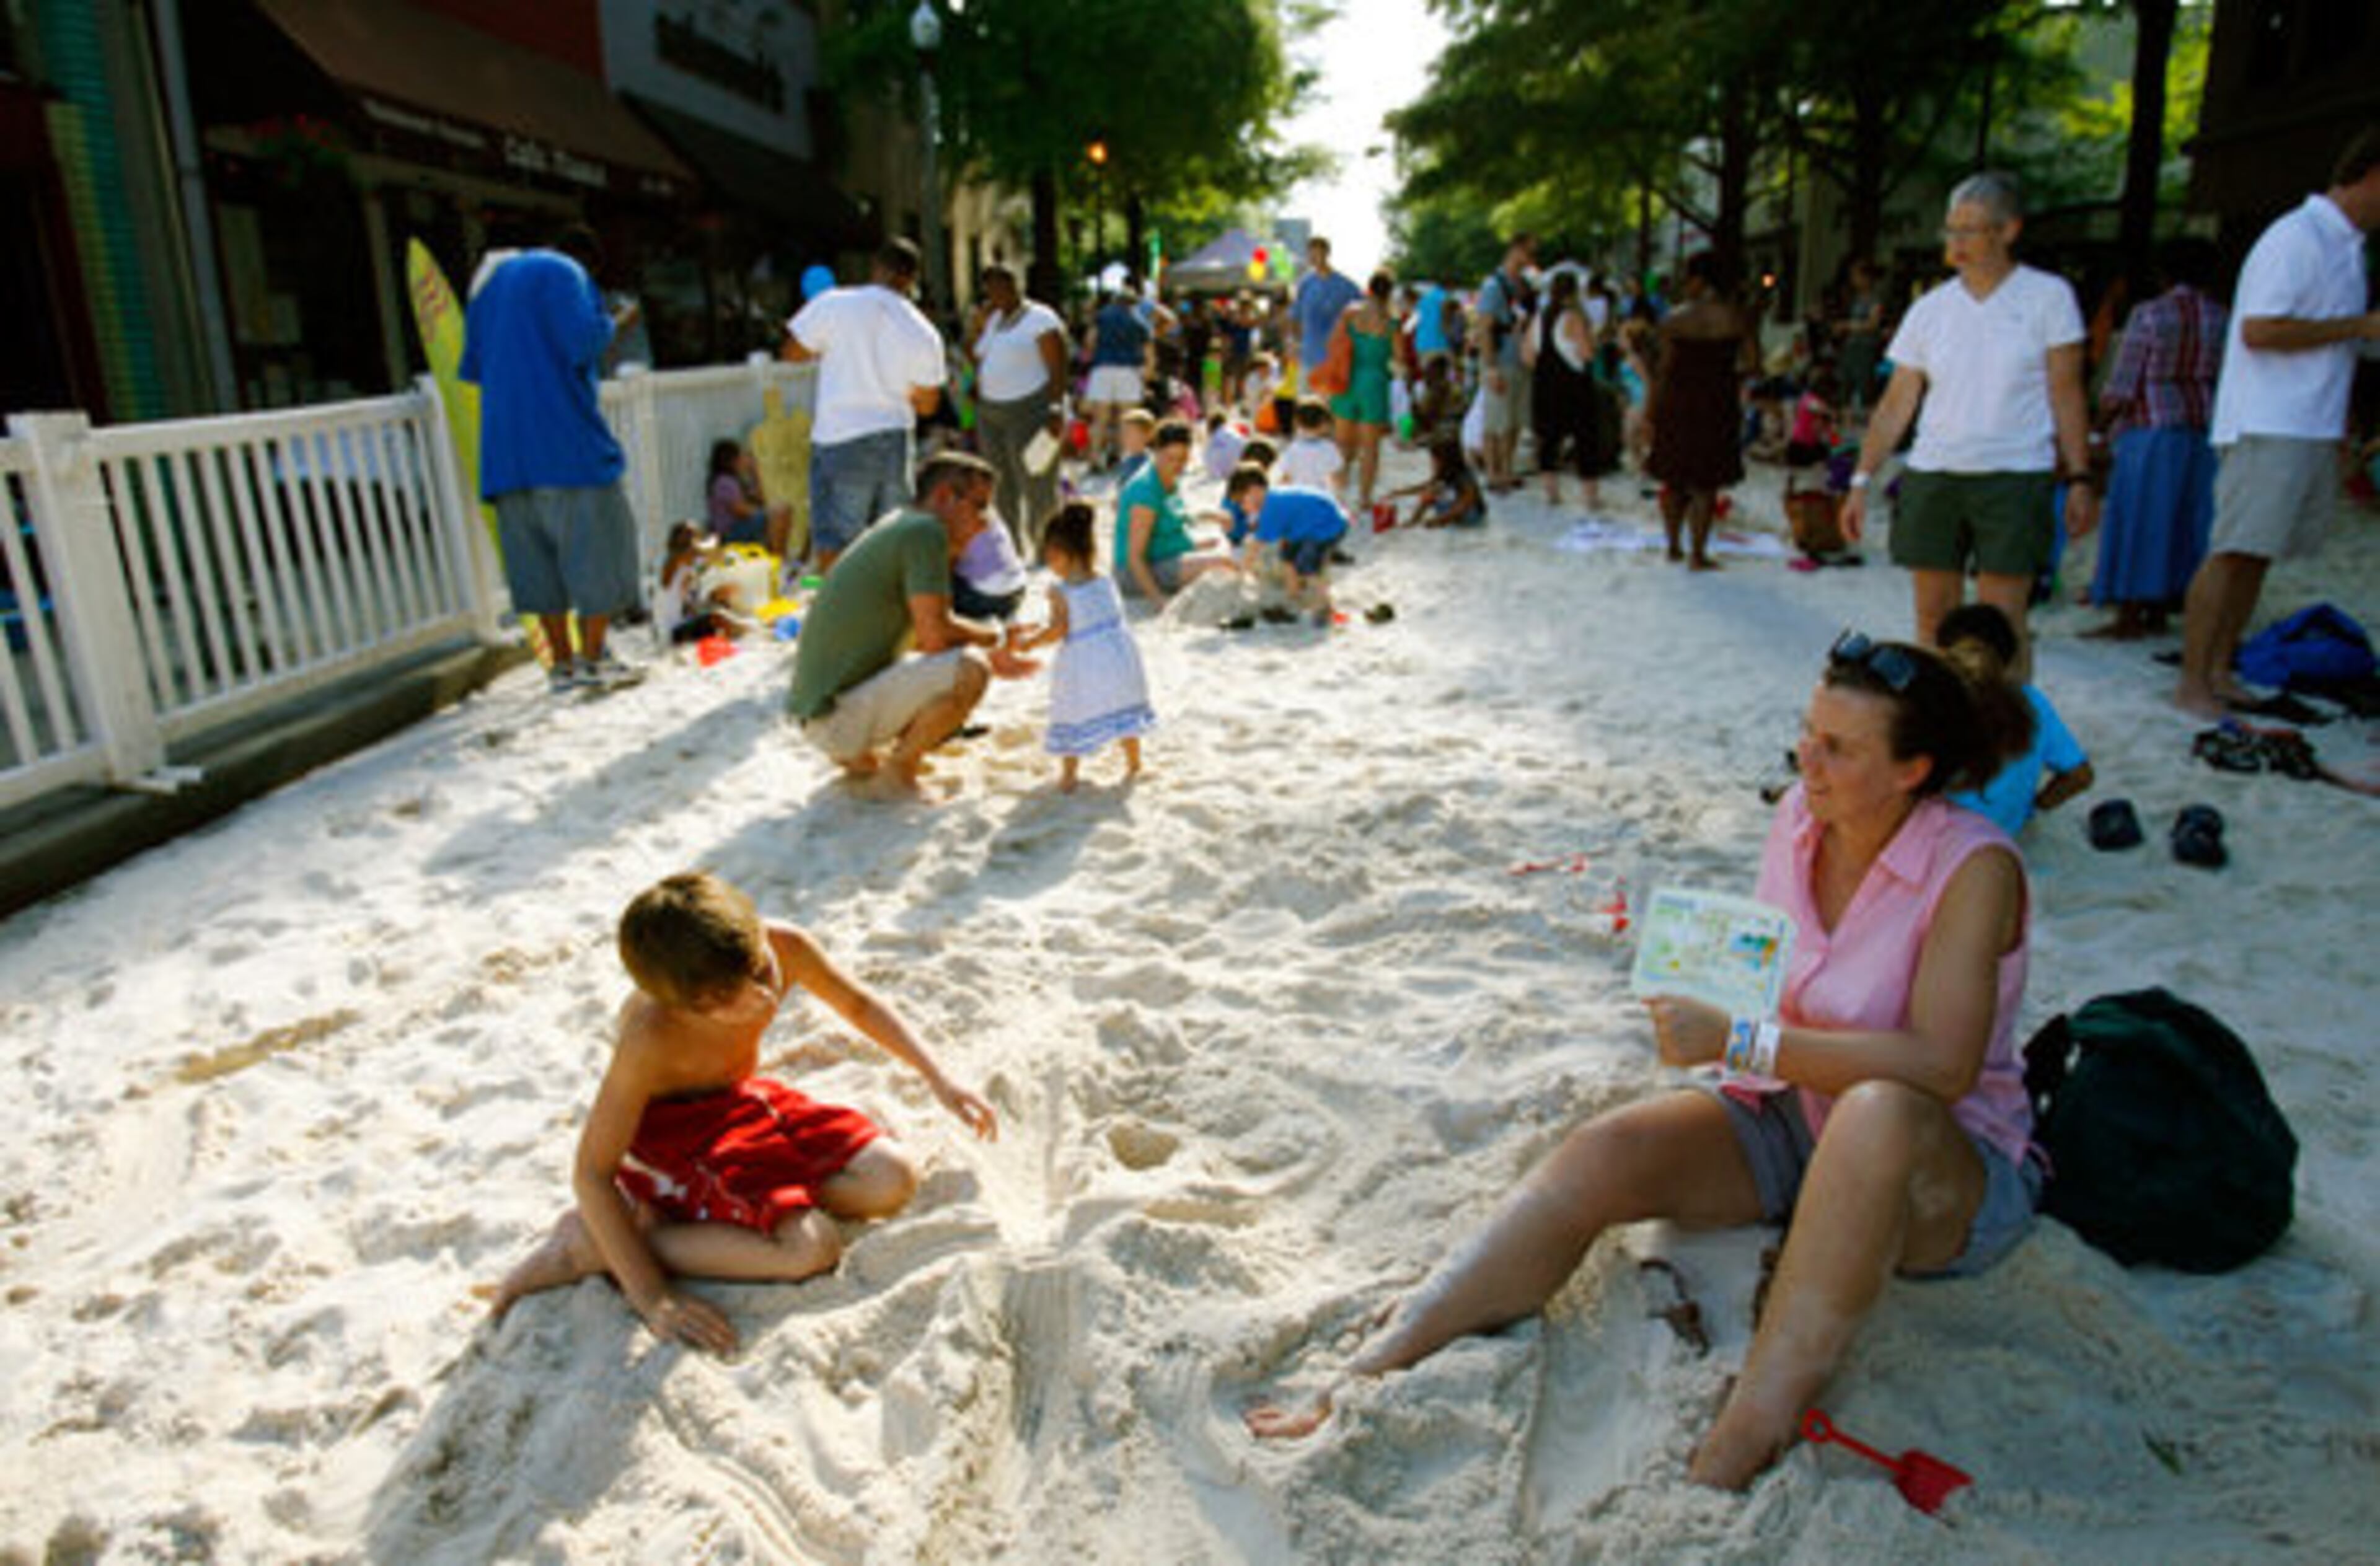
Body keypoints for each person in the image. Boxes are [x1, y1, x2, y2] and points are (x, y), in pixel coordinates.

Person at [1245, 633, 2035, 1492]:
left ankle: (1737, 1443)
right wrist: (1709, 1007)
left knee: (1878, 1108)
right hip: (1797, 1115)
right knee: (1606, 1150)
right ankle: (1381, 1355)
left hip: (1937, 1170)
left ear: (1912, 770)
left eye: (1838, 747)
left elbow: (1941, 1065)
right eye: (1808, 730)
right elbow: (1772, 981)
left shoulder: (1974, 864)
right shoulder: (1801, 818)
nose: (1806, 755)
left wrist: (1740, 1038)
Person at [484, 872, 998, 1354]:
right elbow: (591, 1172)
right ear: (681, 1004)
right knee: (810, 1250)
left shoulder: (783, 946)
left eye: (759, 971)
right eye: (727, 998)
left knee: (891, 1179)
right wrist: (652, 1297)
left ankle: (737, 1210)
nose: (763, 995)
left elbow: (859, 1005)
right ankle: (610, 1242)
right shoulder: (651, 1033)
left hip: (740, 1101)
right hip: (676, 1136)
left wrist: (940, 1078)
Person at [1842, 173, 2097, 672]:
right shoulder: (1931, 309)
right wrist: (1861, 479)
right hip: (1936, 470)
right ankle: (1944, 725)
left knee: (2002, 623)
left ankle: (2012, 731)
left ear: (2008, 231)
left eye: (1970, 231)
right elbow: (1897, 402)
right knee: (1934, 619)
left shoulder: (2048, 297)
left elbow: (2066, 391)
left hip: (2015, 471)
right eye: (1951, 231)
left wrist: (2082, 475)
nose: (1956, 243)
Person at [2176, 128, 2380, 718]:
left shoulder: (2348, 247)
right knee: (2233, 548)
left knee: (2257, 555)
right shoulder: (2296, 237)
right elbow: (2260, 329)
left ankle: (2218, 667)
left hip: (2311, 423)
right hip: (2269, 420)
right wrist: (2357, 327)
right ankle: (2193, 680)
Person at [459, 224, 645, 694]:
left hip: (506, 456)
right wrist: (615, 322)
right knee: (598, 553)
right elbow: (583, 342)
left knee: (535, 568)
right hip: (567, 447)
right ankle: (594, 656)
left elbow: (473, 368)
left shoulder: (490, 288)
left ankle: (561, 665)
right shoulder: (568, 273)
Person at [785, 452, 1034, 797]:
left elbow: (918, 635)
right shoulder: (926, 532)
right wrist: (994, 636)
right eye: (979, 506)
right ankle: (899, 772)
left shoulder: (901, 523)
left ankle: (865, 757)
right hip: (836, 721)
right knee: (972, 670)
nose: (984, 521)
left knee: (959, 660)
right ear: (945, 496)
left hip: (818, 715)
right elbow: (934, 637)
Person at [2087, 240, 2228, 641]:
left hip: (2151, 428)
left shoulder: (2150, 315)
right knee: (2182, 522)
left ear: (2162, 273)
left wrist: (2098, 429)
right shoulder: (2221, 317)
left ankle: (2128, 616)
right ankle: (2161, 609)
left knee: (2139, 522)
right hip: (2201, 428)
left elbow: (2123, 383)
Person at [781, 239, 947, 574]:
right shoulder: (923, 330)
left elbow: (791, 353)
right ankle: (887, 619)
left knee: (838, 542)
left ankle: (844, 620)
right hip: (895, 439)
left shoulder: (834, 305)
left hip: (841, 437)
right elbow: (929, 405)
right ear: (912, 280)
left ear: (875, 268)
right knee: (892, 540)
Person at [1011, 501, 1153, 792]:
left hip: (1084, 664)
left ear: (1060, 553)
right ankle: (1134, 762)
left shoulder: (1060, 591)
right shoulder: (1105, 579)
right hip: (1119, 658)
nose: (1049, 564)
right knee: (1123, 711)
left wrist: (1031, 643)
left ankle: (1069, 775)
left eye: (1049, 557)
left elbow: (1060, 629)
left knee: (1072, 713)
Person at [1937, 604, 2093, 835]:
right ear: (2009, 658)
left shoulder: (1934, 703)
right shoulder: (2033, 702)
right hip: (2006, 832)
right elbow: (2080, 776)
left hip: (1944, 837)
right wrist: (2036, 806)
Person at [1646, 253, 1755, 570]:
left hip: (1678, 401)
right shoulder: (1737, 318)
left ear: (1698, 280)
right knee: (1706, 482)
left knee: (1673, 477)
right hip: (1718, 402)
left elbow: (1662, 370)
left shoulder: (1673, 320)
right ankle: (1698, 553)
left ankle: (1673, 547)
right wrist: (1727, 377)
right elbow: (1753, 363)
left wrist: (1651, 410)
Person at [968, 263, 1069, 553]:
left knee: (1036, 479)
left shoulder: (1040, 318)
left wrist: (1056, 408)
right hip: (991, 413)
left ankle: (1045, 545)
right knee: (999, 482)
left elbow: (1058, 366)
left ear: (1015, 285)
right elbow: (976, 357)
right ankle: (1011, 545)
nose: (995, 293)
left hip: (1030, 409)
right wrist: (977, 326)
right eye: (989, 288)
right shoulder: (994, 320)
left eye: (1001, 286)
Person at [1116, 420, 1240, 604]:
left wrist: (1210, 515)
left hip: (1167, 554)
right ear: (1156, 452)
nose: (1176, 465)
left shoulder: (1166, 477)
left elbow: (1173, 517)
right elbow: (1135, 557)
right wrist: (1157, 599)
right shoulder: (1145, 491)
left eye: (1182, 459)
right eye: (1170, 458)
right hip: (1136, 573)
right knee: (1223, 563)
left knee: (1223, 549)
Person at [1525, 268, 1615, 511]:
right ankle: (1590, 497)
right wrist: (1593, 340)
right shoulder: (1574, 317)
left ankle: (1552, 494)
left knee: (1549, 440)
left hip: (1545, 384)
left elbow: (1528, 356)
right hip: (1574, 384)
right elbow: (1586, 353)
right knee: (1586, 439)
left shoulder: (1539, 317)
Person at [1227, 465, 1350, 622]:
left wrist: (1242, 571)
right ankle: (1293, 597)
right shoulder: (1273, 499)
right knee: (1287, 557)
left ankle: (1324, 606)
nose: (1243, 508)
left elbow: (1255, 546)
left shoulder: (1271, 508)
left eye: (1242, 502)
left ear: (1255, 491)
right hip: (1309, 526)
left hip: (1326, 526)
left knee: (1308, 566)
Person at [1327, 271, 1399, 509]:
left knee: (1342, 445)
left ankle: (1338, 492)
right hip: (1375, 382)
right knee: (1370, 448)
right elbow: (1398, 359)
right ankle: (1365, 498)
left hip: (1348, 379)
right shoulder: (1391, 322)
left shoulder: (1350, 314)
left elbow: (1333, 344)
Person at [1473, 233, 1538, 491]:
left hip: (1520, 360)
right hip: (1500, 360)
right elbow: (1485, 327)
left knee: (1513, 420)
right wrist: (1490, 368)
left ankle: (1507, 469)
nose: (1531, 259)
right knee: (1496, 420)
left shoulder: (1523, 285)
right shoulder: (1494, 286)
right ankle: (1493, 472)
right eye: (1529, 252)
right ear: (1516, 250)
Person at [1083, 288, 1152, 470]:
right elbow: (1148, 352)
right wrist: (1147, 376)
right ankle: (1123, 460)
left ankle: (1094, 459)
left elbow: (1090, 340)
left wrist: (1092, 358)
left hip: (1103, 368)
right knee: (1127, 419)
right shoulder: (1138, 319)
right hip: (1129, 371)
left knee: (1100, 420)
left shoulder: (1102, 316)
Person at [1292, 237, 1362, 397]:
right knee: (1305, 406)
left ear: (1327, 254)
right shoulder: (1305, 284)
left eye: (1318, 253)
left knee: (1331, 407)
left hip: (1335, 359)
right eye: (1311, 254)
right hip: (1308, 356)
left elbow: (1361, 314)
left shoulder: (1345, 286)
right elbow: (1295, 317)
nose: (1314, 258)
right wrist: (1294, 342)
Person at [654, 521, 733, 646]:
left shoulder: (686, 567)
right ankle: (727, 648)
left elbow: (717, 557)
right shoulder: (672, 563)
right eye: (695, 537)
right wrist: (711, 543)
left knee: (722, 604)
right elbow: (697, 553)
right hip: (672, 633)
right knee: (718, 617)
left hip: (680, 626)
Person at [706, 439, 788, 557]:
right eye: (742, 457)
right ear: (732, 461)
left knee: (781, 510)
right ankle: (777, 557)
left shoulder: (737, 480)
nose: (745, 460)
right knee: (777, 515)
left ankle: (778, 555)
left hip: (740, 526)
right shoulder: (724, 482)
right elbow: (741, 512)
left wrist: (755, 474)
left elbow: (761, 500)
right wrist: (766, 513)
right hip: (729, 534)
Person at [1395, 436, 1488, 529]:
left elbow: (1466, 502)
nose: (1432, 463)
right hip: (1451, 512)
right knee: (1431, 492)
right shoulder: (1443, 477)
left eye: (1435, 460)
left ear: (1448, 460)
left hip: (1470, 515)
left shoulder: (1464, 476)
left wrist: (1442, 520)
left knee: (1436, 493)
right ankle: (1414, 522)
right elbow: (1426, 488)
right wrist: (1400, 494)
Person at [1835, 259, 1886, 418]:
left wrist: (1848, 326)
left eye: (1856, 276)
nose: (1854, 280)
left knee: (1865, 387)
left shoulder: (1875, 299)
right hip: (1852, 346)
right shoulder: (1856, 299)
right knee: (1845, 386)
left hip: (1865, 347)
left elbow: (1873, 324)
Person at [1278, 398, 1344, 493]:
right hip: (1320, 495)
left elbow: (1286, 477)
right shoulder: (1329, 448)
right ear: (1324, 424)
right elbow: (1336, 478)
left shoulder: (1293, 448)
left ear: (1298, 423)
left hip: (1298, 495)